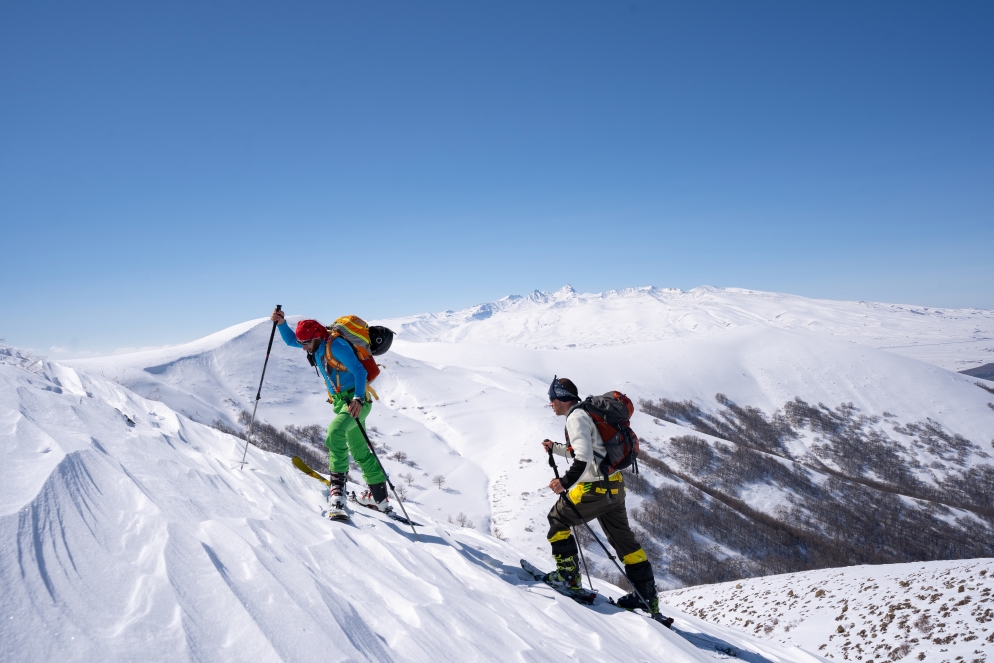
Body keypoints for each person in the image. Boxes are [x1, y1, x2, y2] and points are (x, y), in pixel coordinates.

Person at [542, 376, 663, 618]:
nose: (550, 405)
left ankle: (568, 579)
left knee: (557, 519)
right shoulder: (586, 413)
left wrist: (563, 482)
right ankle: (646, 595)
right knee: (624, 542)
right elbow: (589, 449)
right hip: (615, 487)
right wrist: (554, 447)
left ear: (560, 399)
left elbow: (583, 457)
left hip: (594, 489)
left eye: (551, 400)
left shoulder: (575, 417)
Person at [271, 307, 389, 520]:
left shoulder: (336, 345)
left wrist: (358, 399)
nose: (302, 347)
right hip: (342, 401)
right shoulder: (315, 346)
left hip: (356, 401)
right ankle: (378, 498)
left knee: (335, 433)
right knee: (359, 448)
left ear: (316, 337)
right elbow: (291, 341)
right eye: (302, 343)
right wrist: (281, 323)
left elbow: (360, 371)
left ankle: (338, 495)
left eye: (305, 342)